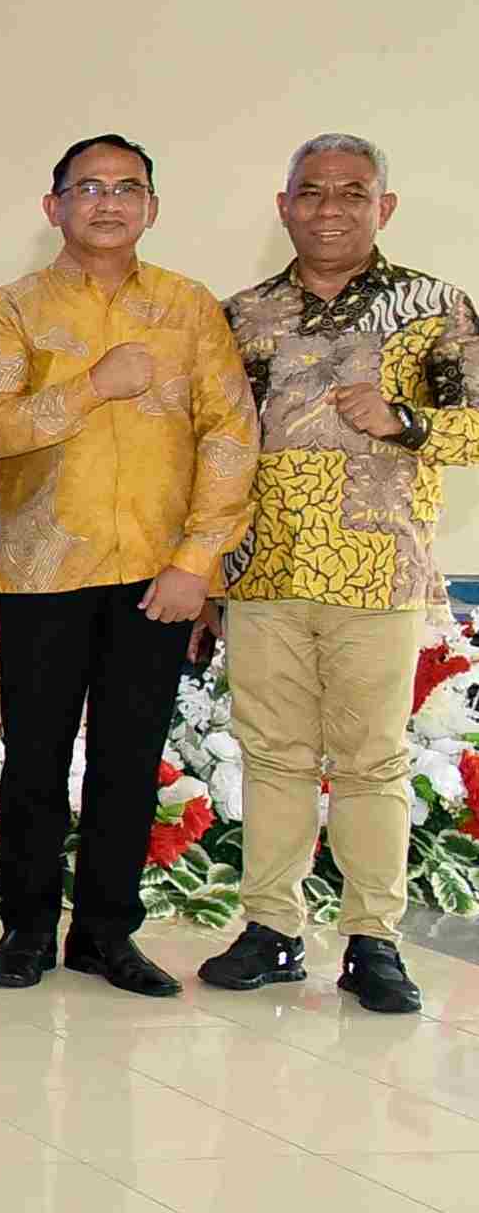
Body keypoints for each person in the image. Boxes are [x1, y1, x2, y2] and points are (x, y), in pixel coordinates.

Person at [0, 134, 253, 997]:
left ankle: (104, 935)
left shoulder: (189, 307)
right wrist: (92, 384)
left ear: (152, 208)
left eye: (128, 188)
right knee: (35, 760)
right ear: (54, 206)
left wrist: (197, 560)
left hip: (155, 574)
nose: (108, 203)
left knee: (129, 761)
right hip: (43, 570)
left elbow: (233, 436)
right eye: (87, 187)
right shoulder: (12, 308)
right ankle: (23, 930)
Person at [201, 134, 476, 1016]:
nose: (330, 208)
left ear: (382, 207)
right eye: (312, 192)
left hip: (379, 572)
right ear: (284, 205)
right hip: (263, 570)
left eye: (352, 193)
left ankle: (373, 941)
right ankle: (271, 930)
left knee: (370, 763)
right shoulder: (239, 315)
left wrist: (405, 419)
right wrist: (204, 569)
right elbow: (211, 445)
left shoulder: (435, 307)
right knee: (272, 757)